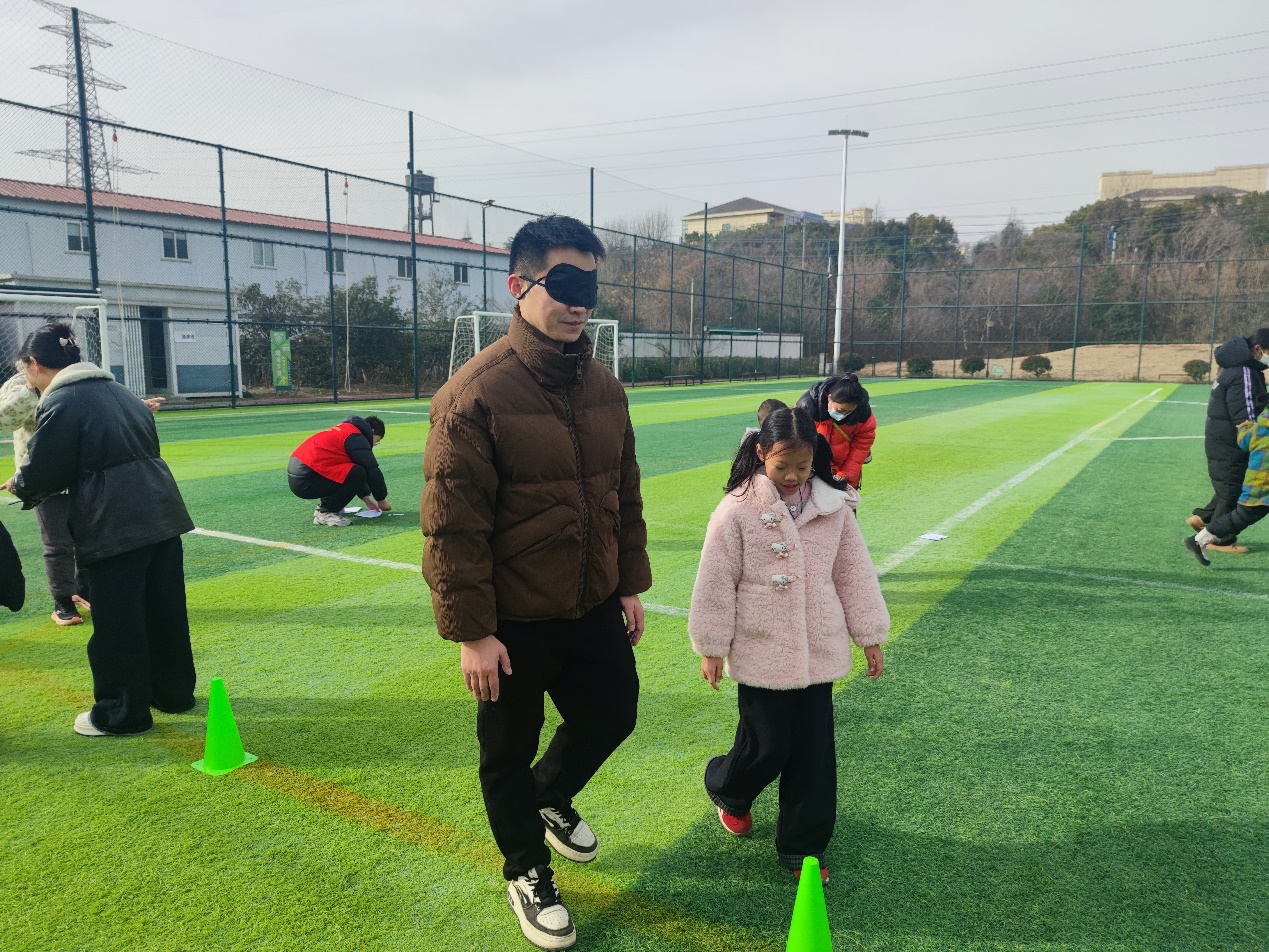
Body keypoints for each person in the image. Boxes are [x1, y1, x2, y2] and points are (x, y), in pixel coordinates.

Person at [421, 214, 651, 950]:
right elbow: (452, 525)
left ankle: (548, 797)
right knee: (505, 755)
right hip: (512, 620)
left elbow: (623, 491)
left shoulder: (605, 387)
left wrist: (628, 582)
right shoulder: (473, 395)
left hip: (590, 601)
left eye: (589, 285)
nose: (579, 301)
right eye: (564, 283)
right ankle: (526, 869)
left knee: (612, 714)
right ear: (518, 286)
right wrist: (473, 633)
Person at [687, 406, 889, 885]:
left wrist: (869, 635)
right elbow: (716, 580)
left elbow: (854, 572)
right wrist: (711, 645)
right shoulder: (737, 508)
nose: (794, 477)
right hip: (761, 647)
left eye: (803, 466)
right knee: (767, 745)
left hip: (819, 647)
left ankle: (804, 846)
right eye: (783, 466)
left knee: (813, 754)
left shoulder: (834, 505)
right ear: (761, 454)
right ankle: (729, 789)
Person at [2, 323, 196, 737]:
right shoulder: (120, 391)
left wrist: (20, 483)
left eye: (26, 371)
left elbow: (46, 467)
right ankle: (173, 693)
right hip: (162, 510)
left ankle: (121, 714)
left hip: (114, 520)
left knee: (117, 621)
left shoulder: (63, 400)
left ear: (34, 364)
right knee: (164, 611)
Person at [1, 370, 163, 626]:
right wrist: (30, 392)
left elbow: (99, 411)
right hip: (43, 475)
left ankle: (85, 590)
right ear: (30, 362)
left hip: (84, 473)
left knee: (91, 537)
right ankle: (63, 601)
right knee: (58, 544)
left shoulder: (77, 379)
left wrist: (139, 406)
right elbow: (3, 420)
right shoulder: (20, 384)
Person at [1188, 329, 1269, 554]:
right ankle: (1219, 540)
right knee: (1232, 490)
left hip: (1222, 438)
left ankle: (1203, 518)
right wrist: (1255, 437)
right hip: (1231, 441)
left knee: (1230, 484)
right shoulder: (1244, 372)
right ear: (1258, 349)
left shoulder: (1237, 366)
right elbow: (1244, 414)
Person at [1185, 400, 1269, 565]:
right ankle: (1197, 540)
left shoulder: (1260, 429)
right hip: (1261, 488)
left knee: (1241, 517)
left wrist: (1244, 427)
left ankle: (1198, 540)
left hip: (1256, 484)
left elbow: (1244, 441)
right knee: (1241, 517)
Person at [287, 415, 391, 526]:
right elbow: (371, 470)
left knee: (350, 470)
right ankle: (326, 512)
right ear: (372, 432)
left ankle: (328, 507)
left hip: (301, 474)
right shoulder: (356, 437)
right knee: (358, 472)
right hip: (306, 478)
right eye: (377, 440)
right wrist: (381, 500)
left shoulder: (347, 430)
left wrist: (367, 499)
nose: (374, 444)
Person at [795, 374, 876, 488]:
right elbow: (796, 441)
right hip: (811, 473)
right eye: (840, 410)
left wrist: (845, 476)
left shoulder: (863, 415)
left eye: (849, 412)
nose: (843, 415)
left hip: (844, 472)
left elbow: (861, 447)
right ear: (829, 398)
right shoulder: (806, 407)